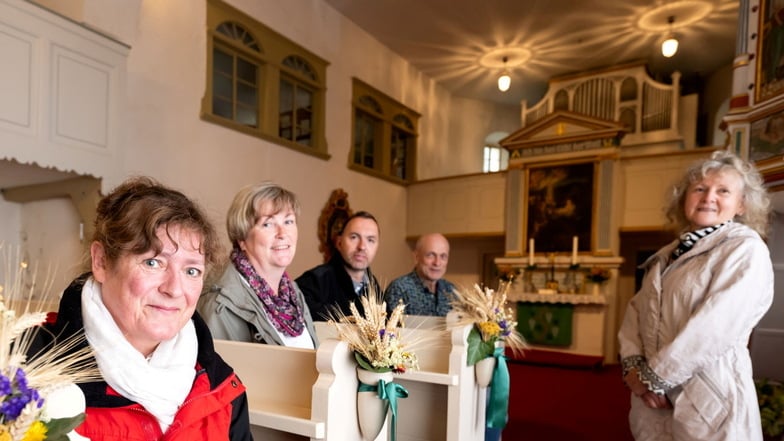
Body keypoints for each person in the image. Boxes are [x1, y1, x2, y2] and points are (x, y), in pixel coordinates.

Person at [25, 177, 252, 440]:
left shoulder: (222, 387)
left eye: (191, 270)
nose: (174, 289)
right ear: (101, 262)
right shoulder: (26, 367)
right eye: (153, 263)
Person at [617, 150, 774, 441]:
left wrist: (653, 379)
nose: (708, 197)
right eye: (699, 188)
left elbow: (715, 327)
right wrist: (633, 368)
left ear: (741, 205)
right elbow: (635, 313)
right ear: (684, 198)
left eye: (723, 190)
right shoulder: (667, 255)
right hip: (652, 403)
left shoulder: (744, 250)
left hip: (710, 397)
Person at [198, 182, 318, 348]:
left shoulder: (292, 293)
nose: (283, 234)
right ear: (242, 238)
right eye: (267, 224)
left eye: (288, 221)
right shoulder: (221, 304)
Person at [296, 210, 381, 320]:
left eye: (370, 240)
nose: (362, 246)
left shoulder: (374, 287)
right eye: (354, 237)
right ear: (339, 243)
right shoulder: (314, 281)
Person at [384, 233, 455, 316]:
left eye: (443, 256)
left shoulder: (451, 290)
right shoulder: (399, 289)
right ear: (416, 257)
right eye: (431, 255)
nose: (437, 263)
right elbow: (392, 327)